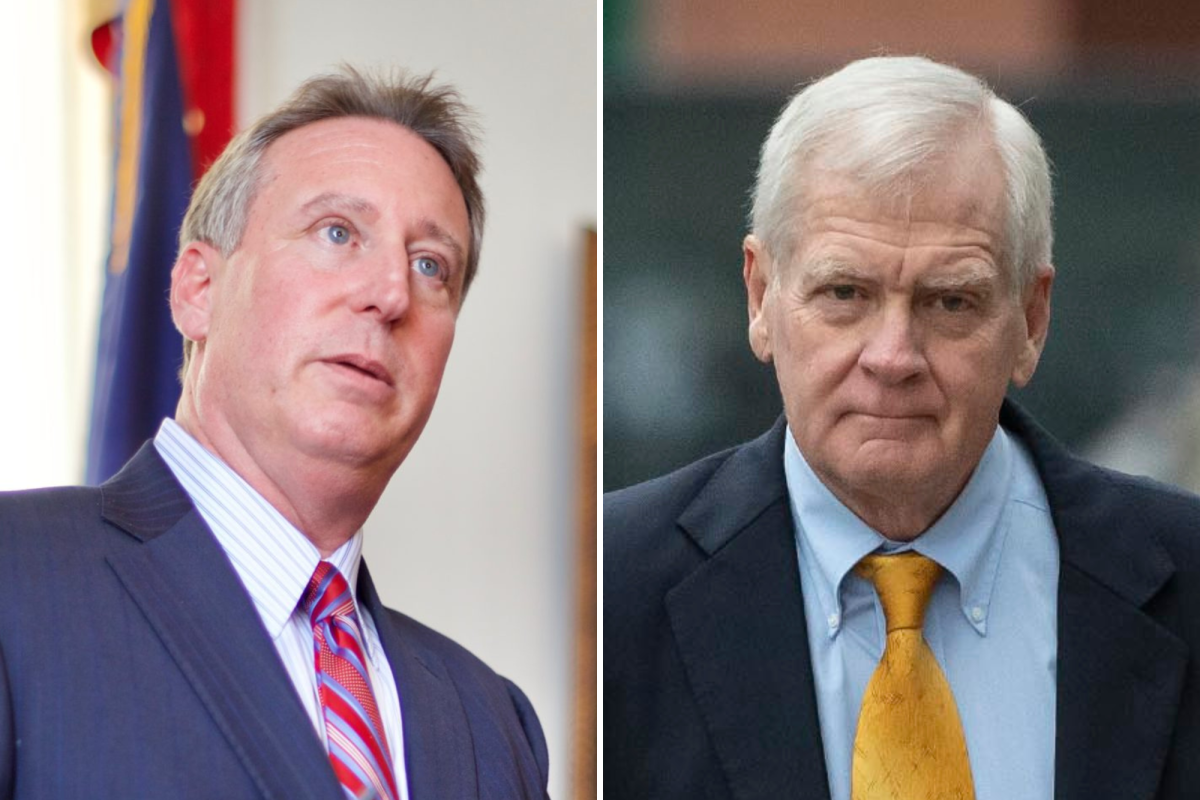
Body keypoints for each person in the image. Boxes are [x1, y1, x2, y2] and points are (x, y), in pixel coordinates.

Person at [604, 55, 1200, 800]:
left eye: (950, 301)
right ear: (761, 297)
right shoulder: (607, 594)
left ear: (1032, 319)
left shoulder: (1184, 577)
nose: (893, 358)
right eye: (845, 292)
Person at [0, 69, 548, 800]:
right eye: (337, 232)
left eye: (430, 265)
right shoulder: (18, 579)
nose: (390, 293)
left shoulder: (491, 720)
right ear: (199, 289)